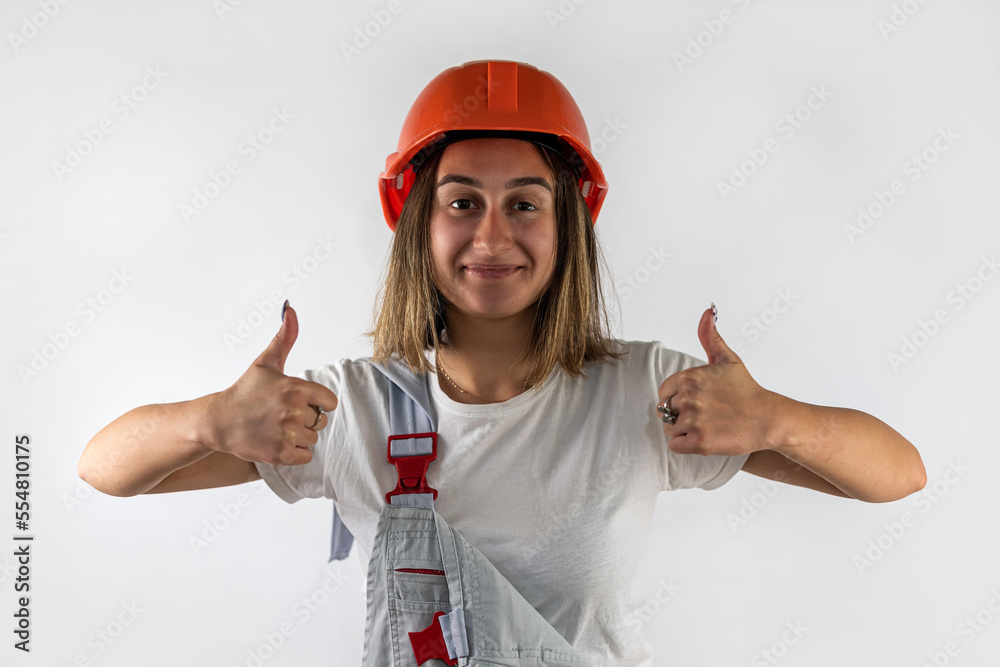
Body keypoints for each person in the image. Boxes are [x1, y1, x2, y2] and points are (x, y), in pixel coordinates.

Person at [79, 60, 927, 665]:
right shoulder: (350, 411)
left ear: (567, 227)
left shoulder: (647, 394)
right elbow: (104, 468)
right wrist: (211, 421)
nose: (492, 236)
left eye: (525, 202)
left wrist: (776, 417)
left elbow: (899, 473)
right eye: (462, 203)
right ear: (420, 225)